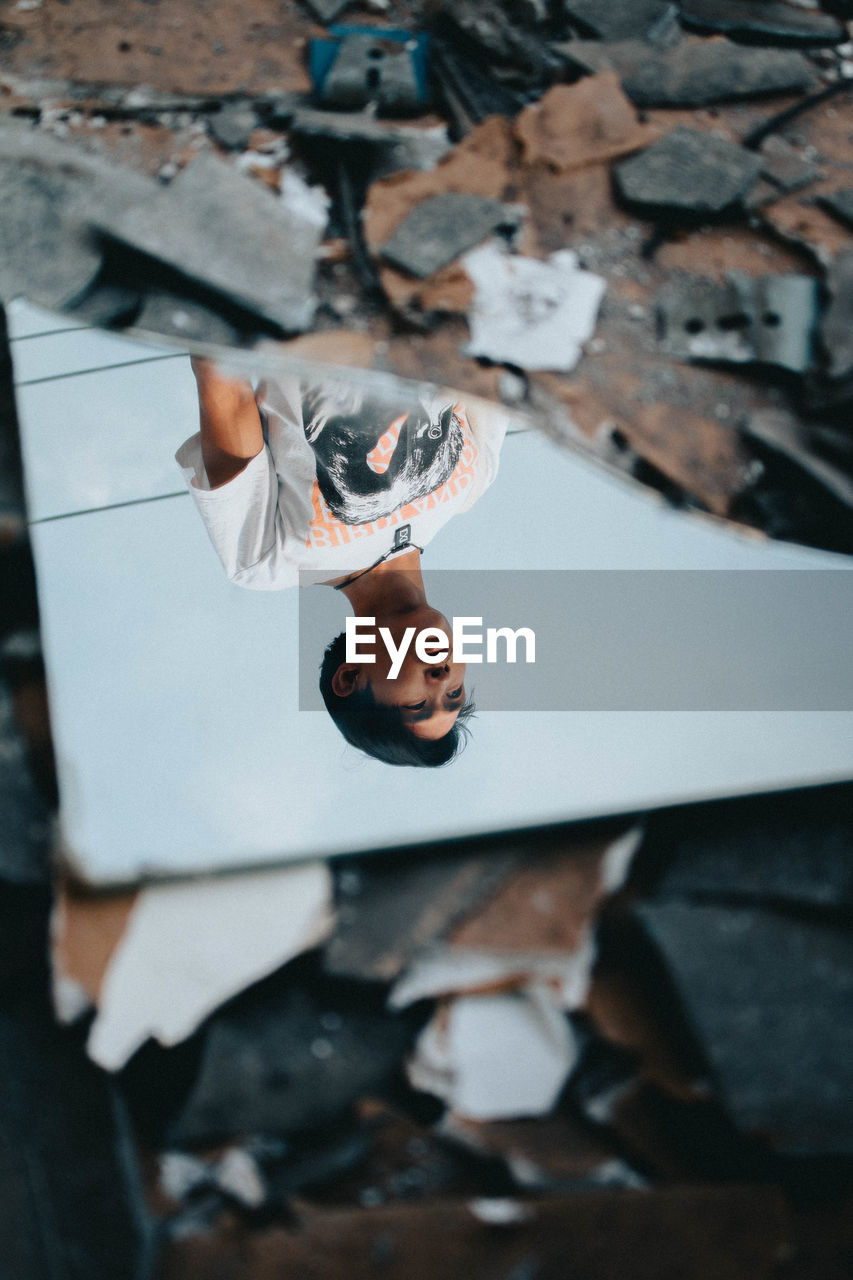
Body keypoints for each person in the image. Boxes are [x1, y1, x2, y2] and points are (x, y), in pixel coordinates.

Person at [176, 358, 509, 765]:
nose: (442, 680)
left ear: (350, 677)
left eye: (418, 704)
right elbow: (486, 356)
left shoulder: (269, 559)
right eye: (454, 694)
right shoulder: (473, 484)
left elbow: (224, 388)